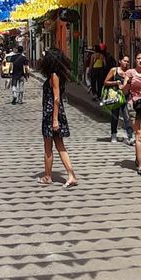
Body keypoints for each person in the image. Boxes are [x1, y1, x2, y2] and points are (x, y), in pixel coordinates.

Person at [39, 48, 78, 188]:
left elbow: (56, 98)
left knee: (48, 146)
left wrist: (54, 119)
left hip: (51, 115)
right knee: (59, 145)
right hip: (53, 114)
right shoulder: (57, 75)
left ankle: (48, 176)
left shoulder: (54, 76)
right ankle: (71, 175)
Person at [104, 55, 135, 145]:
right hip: (115, 96)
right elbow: (105, 82)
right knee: (115, 116)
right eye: (124, 61)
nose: (126, 63)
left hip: (125, 97)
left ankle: (130, 136)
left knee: (127, 117)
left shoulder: (129, 72)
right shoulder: (114, 70)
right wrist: (115, 82)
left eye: (128, 61)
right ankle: (113, 134)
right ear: (120, 61)